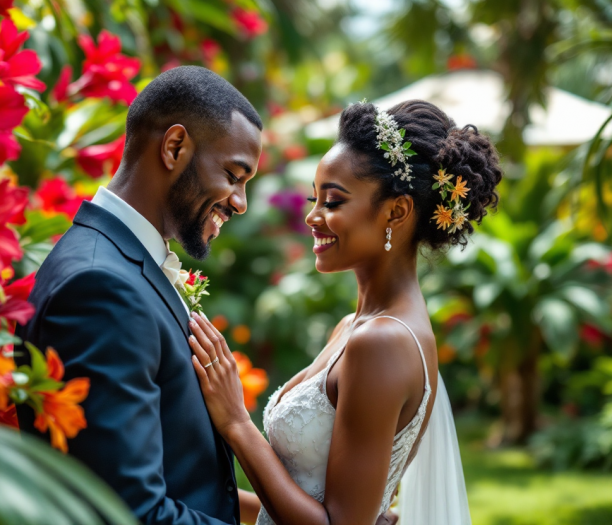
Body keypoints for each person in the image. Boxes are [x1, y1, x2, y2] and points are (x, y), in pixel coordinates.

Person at [187, 100, 502, 525]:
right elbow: (302, 506)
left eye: (333, 202)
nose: (312, 216)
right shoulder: (354, 328)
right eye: (314, 198)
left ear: (396, 211)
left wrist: (236, 423)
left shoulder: (383, 342)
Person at [14, 65, 265, 525]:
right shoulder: (100, 288)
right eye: (234, 175)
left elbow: (176, 472)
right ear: (175, 147)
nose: (240, 202)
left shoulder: (120, 263)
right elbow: (131, 512)